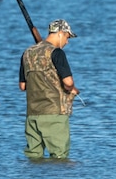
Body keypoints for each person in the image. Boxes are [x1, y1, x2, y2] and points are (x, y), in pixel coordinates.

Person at [19, 19, 80, 159]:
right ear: (60, 33)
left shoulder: (27, 53)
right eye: (67, 37)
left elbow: (22, 86)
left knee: (33, 157)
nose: (67, 42)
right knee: (59, 159)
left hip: (32, 115)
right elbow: (68, 82)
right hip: (54, 114)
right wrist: (72, 89)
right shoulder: (57, 53)